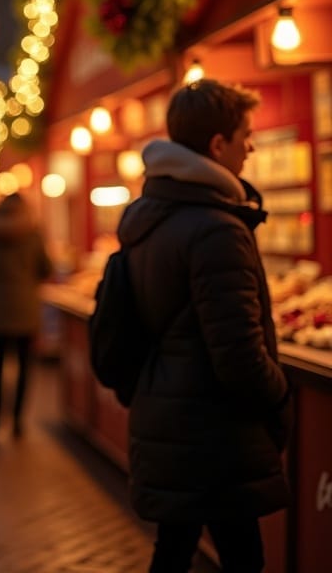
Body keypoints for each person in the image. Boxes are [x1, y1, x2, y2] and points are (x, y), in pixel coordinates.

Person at [120, 79, 291, 572]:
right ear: (218, 145)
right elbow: (239, 354)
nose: (251, 147)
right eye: (245, 135)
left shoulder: (150, 216)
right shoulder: (217, 229)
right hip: (215, 433)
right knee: (242, 558)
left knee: (174, 549)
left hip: (168, 417)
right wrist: (280, 393)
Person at [0, 193, 52, 439]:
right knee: (25, 365)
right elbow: (46, 269)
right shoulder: (33, 235)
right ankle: (18, 420)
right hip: (26, 308)